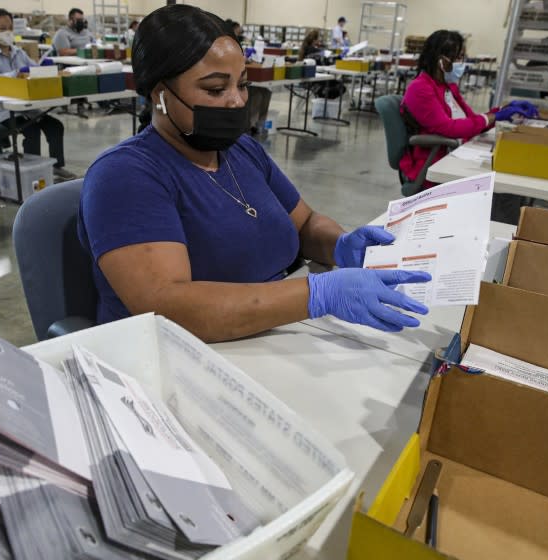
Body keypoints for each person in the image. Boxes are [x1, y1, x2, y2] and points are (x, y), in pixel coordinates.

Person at [78, 5, 431, 343]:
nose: (237, 101)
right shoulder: (125, 176)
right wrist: (315, 294)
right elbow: (169, 307)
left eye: (242, 84)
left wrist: (340, 244)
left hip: (268, 337)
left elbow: (305, 223)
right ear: (161, 95)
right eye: (216, 89)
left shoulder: (241, 151)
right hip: (183, 358)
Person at [399, 29, 537, 222]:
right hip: (435, 160)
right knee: (504, 189)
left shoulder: (448, 88)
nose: (461, 64)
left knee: (508, 182)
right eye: (458, 58)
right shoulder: (420, 88)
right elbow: (449, 127)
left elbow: (472, 121)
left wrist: (503, 111)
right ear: (441, 60)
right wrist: (492, 118)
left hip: (456, 152)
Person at [0, 8, 73, 178]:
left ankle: (56, 167)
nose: (7, 33)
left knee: (55, 126)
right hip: (5, 111)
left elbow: (34, 71)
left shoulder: (18, 52)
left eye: (10, 28)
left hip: (28, 107)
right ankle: (33, 173)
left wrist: (47, 70)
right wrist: (17, 73)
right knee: (32, 131)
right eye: (2, 29)